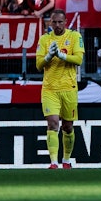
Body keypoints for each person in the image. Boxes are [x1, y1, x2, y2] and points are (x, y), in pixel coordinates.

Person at [35, 10, 84, 170]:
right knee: (52, 123)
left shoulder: (74, 37)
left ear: (65, 22)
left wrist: (62, 56)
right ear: (50, 23)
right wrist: (48, 57)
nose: (57, 25)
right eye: (54, 22)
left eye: (60, 22)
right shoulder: (45, 39)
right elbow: (38, 65)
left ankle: (67, 160)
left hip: (68, 88)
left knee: (67, 126)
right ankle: (54, 162)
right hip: (50, 89)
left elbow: (78, 60)